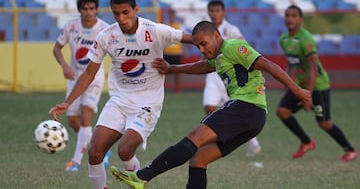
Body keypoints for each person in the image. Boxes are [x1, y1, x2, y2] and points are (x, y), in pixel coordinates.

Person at [110, 20, 312, 189]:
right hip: (255, 118)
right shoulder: (219, 57)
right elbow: (202, 66)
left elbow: (268, 65)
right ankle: (142, 177)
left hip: (246, 106)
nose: (202, 49)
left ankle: (142, 177)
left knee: (193, 137)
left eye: (204, 44)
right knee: (199, 159)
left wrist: (297, 91)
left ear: (216, 36)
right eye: (198, 46)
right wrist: (172, 69)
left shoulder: (233, 46)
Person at [49, 0, 193, 189]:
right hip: (119, 101)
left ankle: (136, 181)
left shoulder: (155, 30)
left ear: (135, 9)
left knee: (125, 150)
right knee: (95, 152)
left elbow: (193, 38)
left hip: (148, 103)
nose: (122, 18)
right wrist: (68, 102)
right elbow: (89, 73)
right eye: (116, 14)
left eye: (126, 12)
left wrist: (219, 47)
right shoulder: (106, 36)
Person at [276, 5, 358, 161]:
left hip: (318, 86)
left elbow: (313, 68)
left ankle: (350, 150)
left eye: (294, 15)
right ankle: (306, 142)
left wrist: (308, 96)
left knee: (324, 124)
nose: (290, 18)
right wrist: (287, 80)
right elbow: (292, 62)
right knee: (282, 111)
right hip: (300, 86)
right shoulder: (284, 39)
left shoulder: (306, 39)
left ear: (300, 19)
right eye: (287, 15)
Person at [52, 0, 112, 172]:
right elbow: (56, 48)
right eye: (85, 9)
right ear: (79, 10)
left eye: (92, 9)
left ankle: (75, 161)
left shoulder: (104, 29)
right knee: (72, 119)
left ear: (96, 10)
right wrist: (64, 66)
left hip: (94, 77)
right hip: (74, 77)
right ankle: (100, 148)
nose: (88, 12)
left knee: (86, 114)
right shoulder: (71, 25)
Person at [204, 0, 261, 156]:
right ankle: (216, 133)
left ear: (223, 12)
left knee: (237, 112)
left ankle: (253, 143)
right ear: (208, 12)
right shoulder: (206, 29)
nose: (214, 14)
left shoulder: (231, 29)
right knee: (209, 106)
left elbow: (245, 48)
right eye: (212, 11)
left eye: (217, 11)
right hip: (213, 75)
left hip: (230, 76)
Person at [163, 8, 185, 93]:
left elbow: (184, 38)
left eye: (173, 15)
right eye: (170, 15)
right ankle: (162, 88)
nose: (171, 17)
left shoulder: (179, 26)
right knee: (163, 71)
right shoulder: (166, 26)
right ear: (168, 16)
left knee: (177, 72)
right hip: (167, 52)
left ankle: (177, 88)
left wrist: (186, 50)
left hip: (176, 52)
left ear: (175, 16)